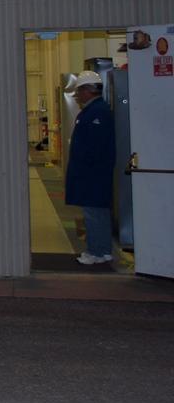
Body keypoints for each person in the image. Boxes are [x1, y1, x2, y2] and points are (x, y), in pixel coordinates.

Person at [64, 71, 116, 265]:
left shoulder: (97, 113)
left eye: (79, 91)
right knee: (100, 212)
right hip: (95, 173)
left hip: (92, 174)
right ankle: (104, 251)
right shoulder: (96, 111)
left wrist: (83, 169)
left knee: (93, 213)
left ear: (88, 90)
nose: (78, 96)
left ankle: (95, 251)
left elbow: (93, 147)